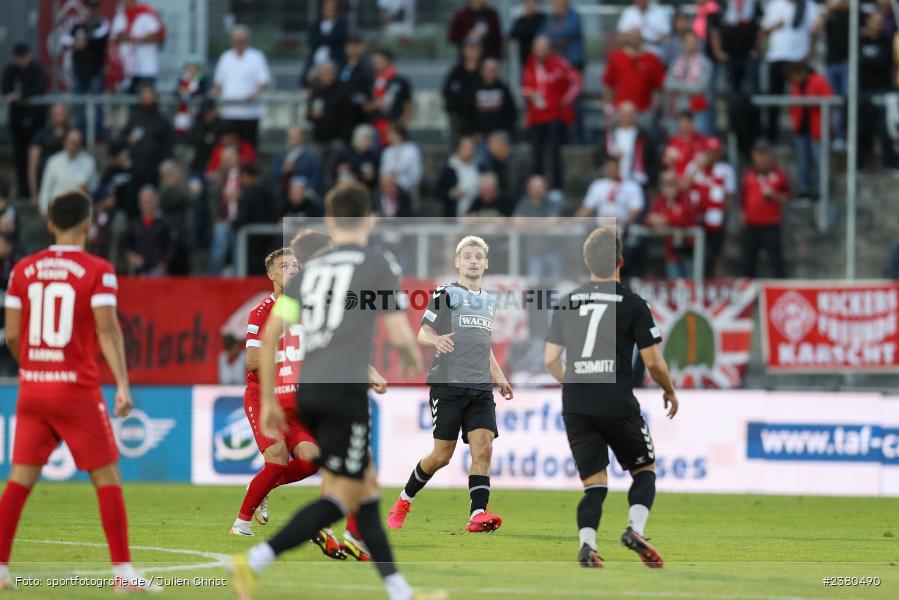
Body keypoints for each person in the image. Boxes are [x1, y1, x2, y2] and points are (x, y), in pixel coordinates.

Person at [232, 182, 431, 600]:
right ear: (370, 220)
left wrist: (268, 400)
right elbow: (398, 333)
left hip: (308, 391)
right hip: (342, 392)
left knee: (367, 486)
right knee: (343, 496)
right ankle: (255, 561)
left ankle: (400, 591)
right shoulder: (377, 264)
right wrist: (412, 359)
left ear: (329, 220)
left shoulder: (307, 278)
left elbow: (270, 340)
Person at [0, 190, 160, 591]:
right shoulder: (99, 269)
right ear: (88, 226)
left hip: (33, 389)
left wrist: (36, 367)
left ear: (50, 223)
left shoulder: (22, 269)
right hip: (76, 390)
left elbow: (13, 334)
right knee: (107, 478)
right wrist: (122, 383)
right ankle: (123, 573)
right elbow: (107, 328)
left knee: (19, 480)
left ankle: (0, 568)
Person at [543, 224, 679, 569]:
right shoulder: (633, 303)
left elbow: (550, 361)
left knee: (594, 486)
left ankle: (587, 546)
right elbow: (653, 362)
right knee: (644, 469)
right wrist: (669, 389)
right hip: (616, 401)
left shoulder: (567, 302)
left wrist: (573, 383)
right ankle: (635, 529)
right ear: (620, 260)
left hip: (576, 405)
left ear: (587, 261)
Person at [388, 235, 513, 532]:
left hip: (481, 387)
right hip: (448, 385)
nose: (472, 260)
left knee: (483, 449)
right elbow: (423, 333)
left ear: (485, 263)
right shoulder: (445, 293)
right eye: (466, 256)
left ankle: (477, 515)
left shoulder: (489, 300)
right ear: (457, 262)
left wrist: (499, 375)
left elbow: (485, 344)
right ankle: (404, 500)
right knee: (441, 455)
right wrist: (436, 339)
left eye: (477, 256)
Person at [227, 246, 328, 549]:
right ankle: (241, 524)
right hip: (263, 396)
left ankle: (261, 489)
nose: (292, 270)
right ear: (271, 274)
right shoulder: (262, 311)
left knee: (312, 460)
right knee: (278, 459)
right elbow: (253, 361)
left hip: (292, 398)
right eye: (285, 266)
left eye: (296, 265)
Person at [522, 36, 582, 193]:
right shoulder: (529, 65)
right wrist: (530, 95)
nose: (540, 51)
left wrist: (566, 100)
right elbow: (525, 87)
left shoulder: (559, 63)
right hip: (536, 116)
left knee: (554, 152)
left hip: (555, 115)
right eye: (537, 48)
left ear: (549, 49)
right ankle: (537, 188)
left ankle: (556, 188)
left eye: (543, 48)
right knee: (537, 153)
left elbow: (576, 80)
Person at [761, 0, 820, 143]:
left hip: (799, 59)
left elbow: (814, 32)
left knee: (804, 98)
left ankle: (804, 134)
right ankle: (772, 137)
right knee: (774, 98)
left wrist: (809, 54)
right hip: (777, 57)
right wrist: (776, 26)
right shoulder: (775, 4)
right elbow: (764, 29)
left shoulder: (809, 5)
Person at [684, 137, 737, 278]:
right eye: (709, 152)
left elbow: (730, 195)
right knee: (693, 252)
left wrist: (721, 213)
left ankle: (712, 279)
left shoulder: (726, 170)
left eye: (715, 152)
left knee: (714, 253)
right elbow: (684, 186)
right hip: (694, 217)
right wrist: (697, 167)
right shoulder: (694, 166)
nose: (712, 155)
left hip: (715, 219)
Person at [212, 25, 271, 148]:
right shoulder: (225, 57)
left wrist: (254, 94)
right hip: (229, 113)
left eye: (241, 40)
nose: (239, 43)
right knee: (228, 148)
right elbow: (219, 83)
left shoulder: (256, 56)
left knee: (248, 148)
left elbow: (264, 81)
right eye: (236, 40)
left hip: (249, 113)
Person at [2, 44, 47, 199]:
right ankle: (23, 192)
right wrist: (16, 96)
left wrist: (20, 95)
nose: (20, 59)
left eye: (23, 55)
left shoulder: (36, 69)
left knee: (35, 158)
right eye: (18, 56)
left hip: (35, 123)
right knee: (20, 158)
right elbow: (6, 90)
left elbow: (39, 88)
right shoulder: (11, 70)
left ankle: (37, 190)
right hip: (17, 123)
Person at [741, 139, 790, 277]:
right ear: (753, 155)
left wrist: (774, 196)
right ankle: (747, 294)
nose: (762, 157)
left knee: (776, 260)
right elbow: (743, 199)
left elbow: (786, 197)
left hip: (771, 223)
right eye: (759, 153)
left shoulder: (779, 174)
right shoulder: (748, 174)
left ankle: (780, 289)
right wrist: (744, 216)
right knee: (748, 261)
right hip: (752, 224)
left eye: (765, 153)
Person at [61, 0, 110, 135]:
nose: (91, 11)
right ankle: (78, 133)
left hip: (96, 70)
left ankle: (98, 134)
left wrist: (84, 39)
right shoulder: (76, 24)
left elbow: (101, 35)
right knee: (78, 104)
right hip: (79, 71)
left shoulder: (101, 23)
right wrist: (77, 41)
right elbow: (64, 40)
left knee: (97, 104)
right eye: (89, 7)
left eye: (94, 7)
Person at [786, 62, 833, 199]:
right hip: (801, 129)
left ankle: (821, 189)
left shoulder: (818, 80)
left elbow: (829, 98)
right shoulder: (795, 85)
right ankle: (805, 188)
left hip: (816, 129)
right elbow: (793, 105)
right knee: (803, 161)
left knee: (819, 161)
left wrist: (812, 102)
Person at [121, 84, 174, 193]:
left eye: (149, 96)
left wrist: (164, 165)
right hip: (134, 170)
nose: (147, 99)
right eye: (144, 97)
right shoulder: (134, 118)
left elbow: (168, 145)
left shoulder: (162, 121)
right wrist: (127, 144)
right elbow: (122, 139)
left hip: (154, 171)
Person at [603, 30, 665, 121]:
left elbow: (659, 87)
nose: (635, 39)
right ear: (628, 38)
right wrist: (608, 107)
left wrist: (654, 107)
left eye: (638, 37)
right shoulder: (616, 58)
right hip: (620, 111)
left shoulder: (652, 59)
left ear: (642, 39)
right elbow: (608, 85)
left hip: (643, 111)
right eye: (632, 36)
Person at [646, 170, 699, 278]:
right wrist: (654, 221)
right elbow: (648, 220)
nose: (670, 187)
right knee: (674, 284)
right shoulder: (660, 200)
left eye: (672, 183)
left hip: (688, 249)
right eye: (666, 183)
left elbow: (688, 220)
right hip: (671, 250)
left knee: (690, 283)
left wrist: (666, 220)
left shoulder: (686, 198)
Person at [663, 31, 714, 135]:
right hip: (677, 110)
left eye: (693, 43)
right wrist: (688, 86)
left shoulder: (705, 63)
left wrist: (677, 85)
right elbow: (667, 84)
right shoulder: (675, 61)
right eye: (687, 42)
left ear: (697, 44)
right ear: (683, 44)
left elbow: (699, 88)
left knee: (699, 142)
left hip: (697, 111)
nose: (690, 46)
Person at [38, 129, 97, 216]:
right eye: (72, 142)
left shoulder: (89, 162)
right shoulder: (53, 162)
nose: (74, 146)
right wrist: (44, 210)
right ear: (65, 142)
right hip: (58, 212)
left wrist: (87, 189)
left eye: (77, 143)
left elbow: (95, 188)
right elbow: (46, 189)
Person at [577, 156, 645, 230]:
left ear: (619, 167)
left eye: (613, 166)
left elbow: (635, 210)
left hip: (622, 227)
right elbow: (587, 208)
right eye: (608, 166)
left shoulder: (632, 186)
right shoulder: (597, 185)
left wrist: (624, 225)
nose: (611, 169)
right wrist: (574, 222)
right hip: (600, 227)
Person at [111, 0, 164, 93]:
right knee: (129, 100)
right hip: (127, 69)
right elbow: (118, 36)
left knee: (146, 99)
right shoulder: (120, 16)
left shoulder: (147, 14)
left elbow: (157, 35)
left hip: (146, 68)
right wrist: (140, 38)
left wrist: (133, 38)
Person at [366, 48, 413, 147]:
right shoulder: (370, 81)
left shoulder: (400, 81)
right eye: (374, 60)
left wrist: (401, 124)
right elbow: (364, 105)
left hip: (393, 128)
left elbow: (408, 106)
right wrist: (376, 105)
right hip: (374, 127)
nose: (375, 62)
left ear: (388, 60)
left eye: (379, 59)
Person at [603, 101, 657, 187]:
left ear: (636, 116)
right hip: (612, 181)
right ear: (619, 115)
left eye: (630, 114)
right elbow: (600, 155)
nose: (626, 117)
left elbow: (652, 159)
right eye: (624, 114)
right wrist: (612, 156)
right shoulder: (610, 135)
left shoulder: (644, 137)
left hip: (636, 181)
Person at [28, 103, 70, 207]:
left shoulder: (72, 135)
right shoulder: (41, 135)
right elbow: (32, 165)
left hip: (67, 184)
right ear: (51, 116)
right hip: (46, 184)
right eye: (57, 114)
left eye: (62, 113)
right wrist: (34, 193)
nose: (60, 116)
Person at [126, 184, 172, 276]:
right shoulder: (135, 223)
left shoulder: (166, 223)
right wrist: (131, 256)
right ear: (139, 203)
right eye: (144, 201)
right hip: (139, 269)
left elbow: (172, 246)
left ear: (156, 200)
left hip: (158, 270)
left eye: (150, 200)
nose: (147, 204)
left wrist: (164, 262)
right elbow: (129, 245)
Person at [442, 39, 483, 140]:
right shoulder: (456, 72)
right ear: (463, 50)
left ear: (481, 50)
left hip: (482, 117)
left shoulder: (485, 71)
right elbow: (447, 93)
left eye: (475, 49)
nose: (472, 52)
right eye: (469, 49)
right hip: (459, 118)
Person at [302, 0, 349, 86]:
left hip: (335, 58)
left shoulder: (341, 23)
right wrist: (330, 38)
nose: (329, 10)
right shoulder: (315, 24)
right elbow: (312, 40)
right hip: (317, 60)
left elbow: (340, 38)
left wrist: (322, 39)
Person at [338, 34, 374, 142]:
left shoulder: (366, 65)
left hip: (360, 113)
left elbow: (368, 87)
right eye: (349, 46)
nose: (352, 49)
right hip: (343, 113)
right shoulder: (341, 64)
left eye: (355, 46)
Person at [270, 127, 323, 199]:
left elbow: (316, 177)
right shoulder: (281, 156)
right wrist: (283, 170)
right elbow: (272, 174)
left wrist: (307, 192)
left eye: (296, 137)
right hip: (283, 194)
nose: (293, 140)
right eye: (291, 137)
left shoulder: (311, 157)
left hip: (304, 194)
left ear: (301, 138)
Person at [471, 58, 518, 139]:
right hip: (478, 134)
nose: (491, 73)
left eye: (494, 70)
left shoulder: (503, 89)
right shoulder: (474, 89)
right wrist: (473, 131)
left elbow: (511, 112)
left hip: (499, 133)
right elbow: (468, 111)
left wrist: (506, 129)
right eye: (488, 70)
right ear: (482, 71)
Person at [436, 135, 480, 218]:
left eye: (472, 148)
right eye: (466, 147)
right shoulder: (449, 168)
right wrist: (452, 193)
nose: (470, 150)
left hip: (474, 216)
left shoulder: (478, 168)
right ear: (458, 148)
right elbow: (437, 192)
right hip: (454, 215)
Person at [307, 61, 348, 146]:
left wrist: (343, 137)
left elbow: (348, 117)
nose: (326, 76)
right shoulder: (316, 92)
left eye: (329, 73)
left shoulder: (341, 92)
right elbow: (308, 115)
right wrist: (312, 115)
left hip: (337, 139)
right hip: (318, 138)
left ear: (334, 74)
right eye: (324, 73)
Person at [379, 124, 423, 196]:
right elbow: (383, 171)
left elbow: (415, 173)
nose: (389, 137)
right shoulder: (387, 151)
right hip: (389, 187)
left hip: (407, 186)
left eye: (391, 134)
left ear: (399, 135)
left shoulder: (412, 149)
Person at [509, 0, 546, 67]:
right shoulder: (521, 20)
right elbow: (513, 34)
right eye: (527, 4)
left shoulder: (543, 18)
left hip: (541, 57)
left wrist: (524, 31)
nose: (530, 6)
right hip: (525, 57)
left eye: (533, 3)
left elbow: (538, 30)